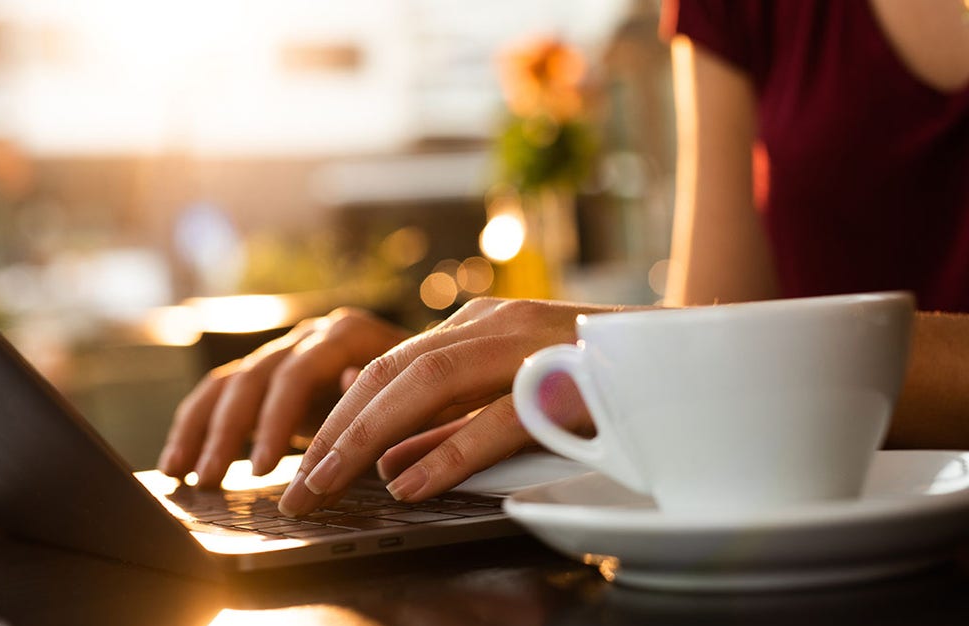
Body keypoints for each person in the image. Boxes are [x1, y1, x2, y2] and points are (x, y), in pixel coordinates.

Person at [159, 0, 969, 517]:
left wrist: (658, 359)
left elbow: (700, 358)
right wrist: (448, 394)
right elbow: (708, 342)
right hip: (814, 575)